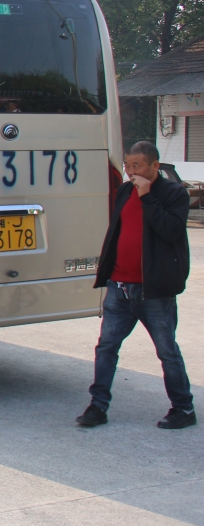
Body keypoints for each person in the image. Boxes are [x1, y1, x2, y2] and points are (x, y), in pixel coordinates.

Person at [77, 141, 196, 429]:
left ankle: (183, 409)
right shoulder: (125, 190)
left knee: (167, 351)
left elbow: (171, 230)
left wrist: (147, 197)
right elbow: (117, 230)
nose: (131, 171)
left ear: (155, 166)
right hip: (120, 287)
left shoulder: (173, 193)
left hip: (154, 291)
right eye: (128, 165)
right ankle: (98, 406)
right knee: (106, 347)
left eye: (137, 166)